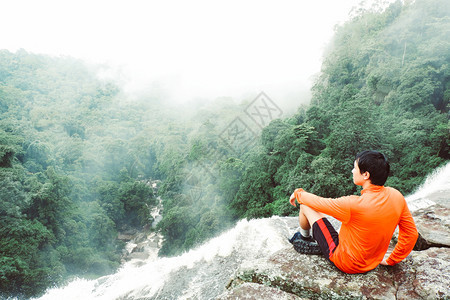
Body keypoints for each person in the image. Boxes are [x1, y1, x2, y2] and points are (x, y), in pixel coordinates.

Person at [288, 150, 418, 274]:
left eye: (355, 168)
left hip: (346, 262)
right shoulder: (396, 196)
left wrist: (298, 193)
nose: (352, 171)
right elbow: (411, 234)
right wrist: (392, 260)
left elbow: (318, 203)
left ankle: (304, 238)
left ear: (366, 175)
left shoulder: (354, 204)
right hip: (372, 261)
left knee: (305, 206)